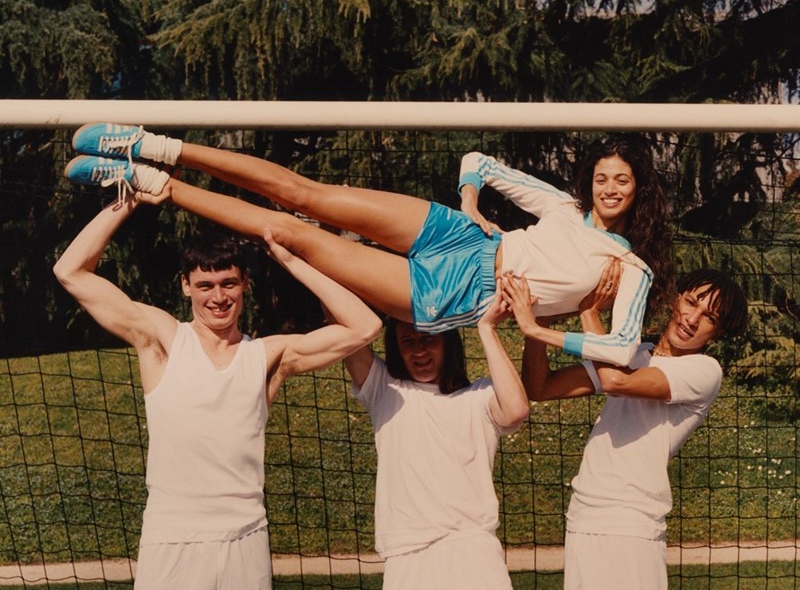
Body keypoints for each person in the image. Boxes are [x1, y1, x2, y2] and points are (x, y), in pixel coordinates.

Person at [63, 123, 673, 366]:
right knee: (306, 193)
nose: (611, 188)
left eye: (623, 180)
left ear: (639, 190)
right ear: (591, 182)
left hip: (462, 291)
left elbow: (621, 348)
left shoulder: (631, 268)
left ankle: (151, 184)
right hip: (462, 236)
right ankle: (147, 143)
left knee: (293, 234)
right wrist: (468, 204)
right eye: (603, 177)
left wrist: (538, 331)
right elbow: (478, 161)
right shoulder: (564, 207)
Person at [53, 181, 382, 589]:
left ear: (245, 283)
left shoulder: (267, 357)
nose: (218, 297)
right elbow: (69, 271)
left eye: (229, 283)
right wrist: (132, 196)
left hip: (245, 541)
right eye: (205, 286)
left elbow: (365, 326)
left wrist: (292, 260)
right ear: (186, 286)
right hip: (173, 538)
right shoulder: (162, 338)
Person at [499, 266, 748, 590]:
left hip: (633, 525)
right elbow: (540, 387)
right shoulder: (634, 354)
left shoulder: (704, 371)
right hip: (584, 517)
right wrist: (543, 313)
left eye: (710, 317)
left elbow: (615, 381)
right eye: (692, 302)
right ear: (677, 300)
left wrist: (584, 313)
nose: (692, 319)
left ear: (716, 334)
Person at [334, 291, 530, 589]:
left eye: (428, 338)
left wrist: (486, 329)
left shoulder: (479, 397)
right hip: (408, 555)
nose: (419, 351)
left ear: (448, 342)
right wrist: (306, 254)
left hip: (474, 553)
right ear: (397, 349)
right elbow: (342, 318)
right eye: (407, 342)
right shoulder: (386, 391)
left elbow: (516, 411)